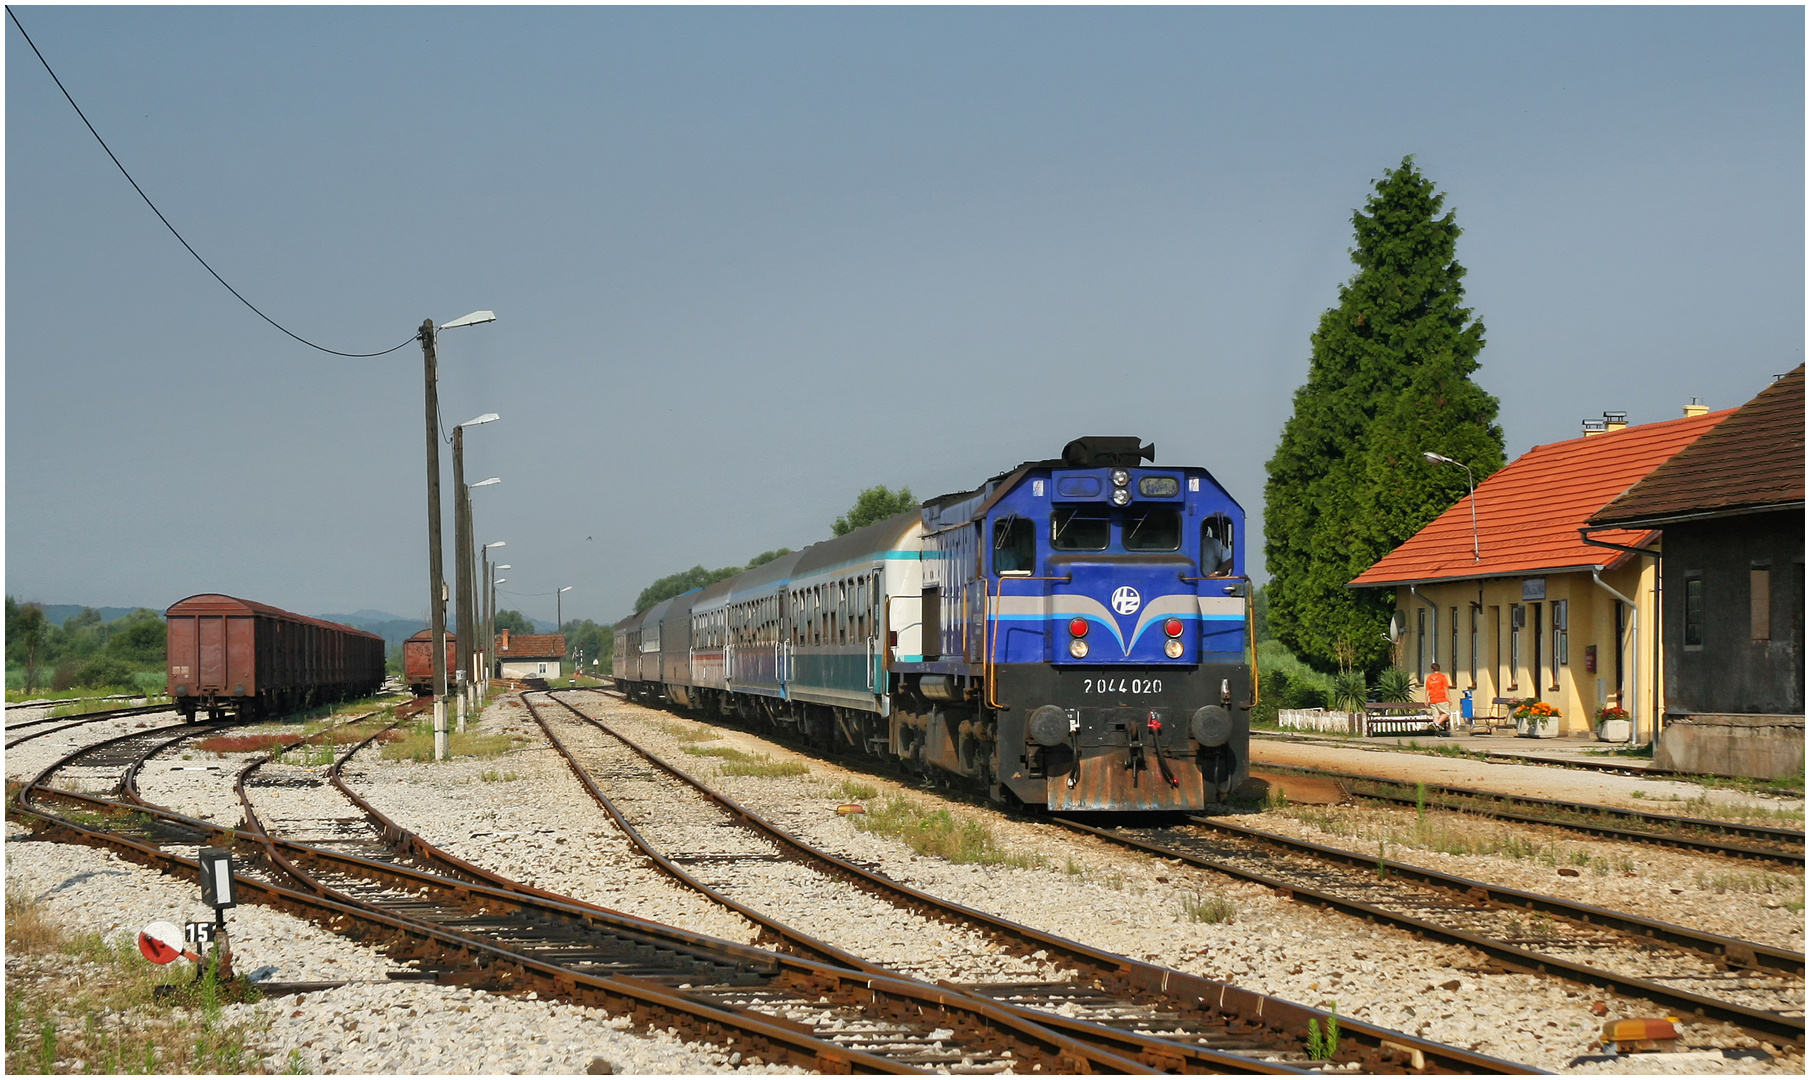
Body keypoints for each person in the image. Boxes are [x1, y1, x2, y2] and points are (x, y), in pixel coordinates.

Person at [1424, 663, 1453, 735]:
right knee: (1447, 713)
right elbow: (1445, 689)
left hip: (1433, 700)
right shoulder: (1442, 677)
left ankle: (1436, 731)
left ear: (1432, 669)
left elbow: (1427, 690)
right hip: (1441, 699)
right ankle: (1437, 724)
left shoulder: (1429, 678)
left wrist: (1426, 699)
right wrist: (1449, 699)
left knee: (1435, 715)